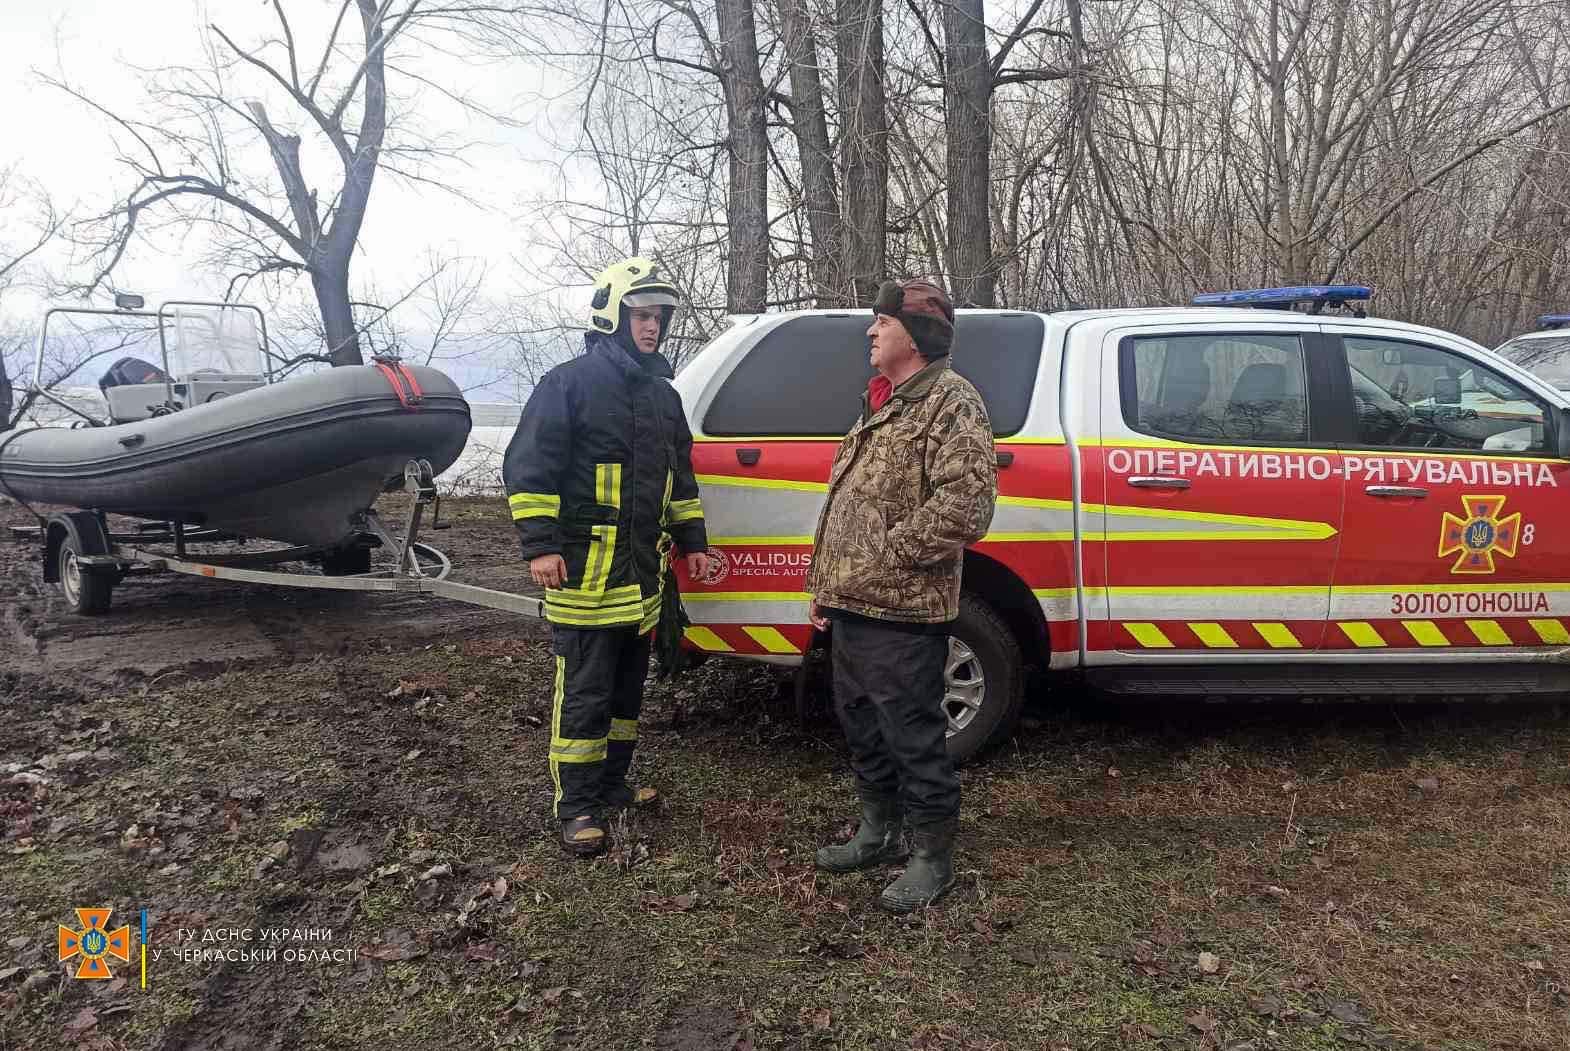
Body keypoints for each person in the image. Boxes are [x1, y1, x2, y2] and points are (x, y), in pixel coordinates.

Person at [503, 256, 710, 857]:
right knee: (586, 693)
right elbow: (529, 468)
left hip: (642, 581)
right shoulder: (566, 385)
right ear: (613, 315)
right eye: (642, 316)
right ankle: (577, 806)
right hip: (585, 576)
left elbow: (681, 479)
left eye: (660, 318)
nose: (653, 328)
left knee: (626, 692)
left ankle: (612, 784)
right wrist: (540, 546)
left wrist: (693, 544)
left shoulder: (664, 399)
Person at [805, 278, 997, 911]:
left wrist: (889, 557)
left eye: (881, 324)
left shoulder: (950, 401)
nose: (870, 332)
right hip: (853, 604)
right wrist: (824, 586)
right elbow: (849, 504)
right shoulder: (883, 400)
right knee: (862, 726)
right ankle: (878, 832)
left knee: (911, 733)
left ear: (912, 336)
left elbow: (966, 506)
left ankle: (930, 855)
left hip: (905, 610)